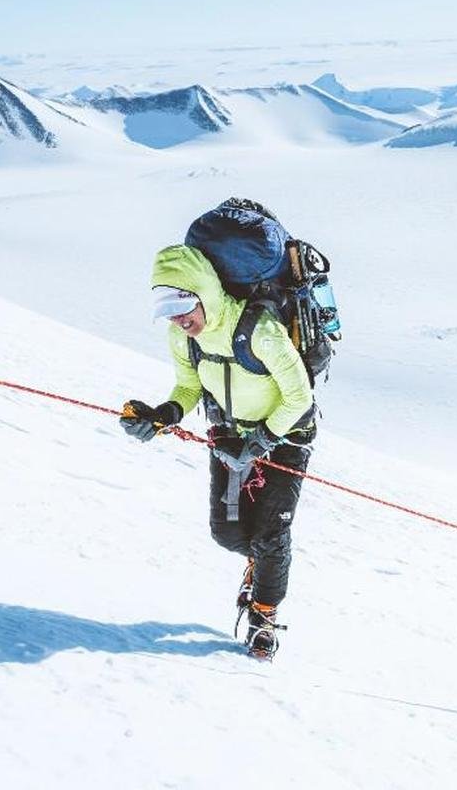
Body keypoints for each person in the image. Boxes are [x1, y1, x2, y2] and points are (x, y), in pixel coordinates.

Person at [119, 244, 316, 659]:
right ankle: (258, 565)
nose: (177, 318)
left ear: (205, 293)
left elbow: (300, 397)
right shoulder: (181, 336)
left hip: (287, 438)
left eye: (182, 305)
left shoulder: (259, 329)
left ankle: (263, 616)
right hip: (228, 435)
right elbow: (189, 387)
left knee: (271, 534)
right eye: (167, 308)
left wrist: (262, 440)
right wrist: (163, 414)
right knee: (227, 534)